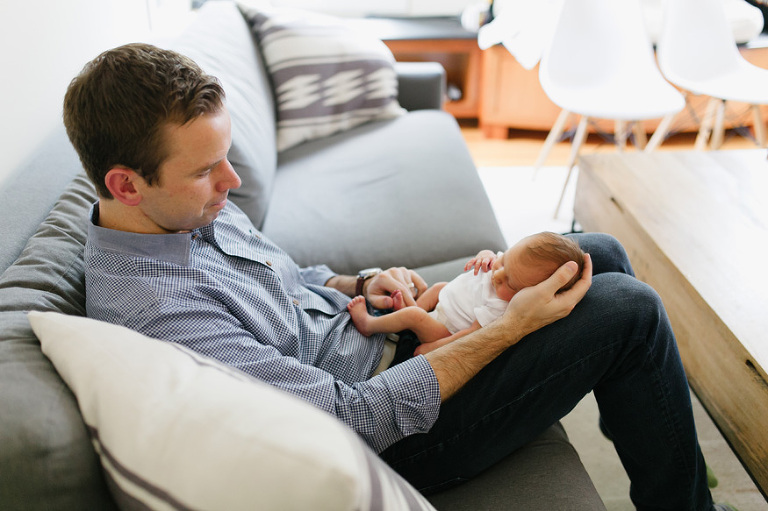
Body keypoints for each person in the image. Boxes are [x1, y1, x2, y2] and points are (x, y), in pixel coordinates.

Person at [63, 42, 726, 510]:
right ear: (126, 183)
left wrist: (363, 282)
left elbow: (294, 277)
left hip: (383, 335)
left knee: (594, 253)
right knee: (627, 308)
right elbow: (350, 421)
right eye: (208, 170)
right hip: (398, 430)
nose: (232, 183)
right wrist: (509, 330)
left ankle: (667, 467)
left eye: (226, 156)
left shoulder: (178, 210)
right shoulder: (159, 311)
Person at [347, 232, 585, 356]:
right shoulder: (508, 266)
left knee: (415, 318)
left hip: (445, 329)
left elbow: (467, 335)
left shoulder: (501, 310)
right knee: (439, 287)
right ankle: (412, 310)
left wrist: (433, 348)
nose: (496, 274)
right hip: (443, 302)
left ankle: (370, 323)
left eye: (509, 284)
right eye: (503, 261)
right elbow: (492, 255)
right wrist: (486, 254)